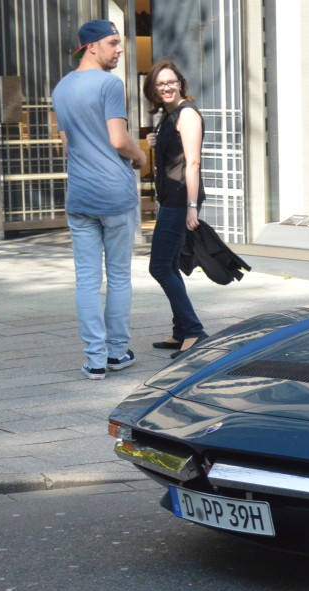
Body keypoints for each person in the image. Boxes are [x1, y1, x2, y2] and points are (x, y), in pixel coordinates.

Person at [51, 20, 145, 380]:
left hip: (80, 195)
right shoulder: (109, 84)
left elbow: (65, 146)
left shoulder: (62, 88)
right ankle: (117, 353)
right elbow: (119, 140)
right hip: (114, 193)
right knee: (119, 276)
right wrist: (139, 158)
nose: (119, 50)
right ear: (90, 46)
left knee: (87, 279)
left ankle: (94, 359)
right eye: (112, 43)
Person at [143, 60, 208, 355]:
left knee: (159, 266)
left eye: (171, 82)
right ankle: (181, 330)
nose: (166, 87)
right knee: (168, 265)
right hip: (170, 198)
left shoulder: (187, 114)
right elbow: (176, 155)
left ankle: (194, 330)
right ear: (154, 90)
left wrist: (192, 206)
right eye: (160, 84)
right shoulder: (168, 116)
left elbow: (192, 162)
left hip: (182, 199)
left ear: (180, 83)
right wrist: (156, 141)